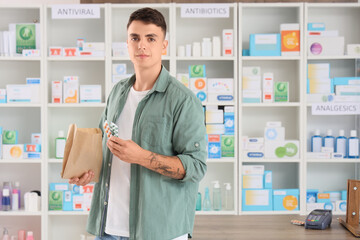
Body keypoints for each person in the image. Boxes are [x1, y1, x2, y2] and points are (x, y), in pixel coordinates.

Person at [69, 7, 207, 240]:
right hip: (109, 228)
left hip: (159, 231)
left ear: (164, 45)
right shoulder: (117, 92)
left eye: (151, 38)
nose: (142, 45)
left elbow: (196, 167)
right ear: (128, 43)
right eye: (135, 38)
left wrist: (141, 156)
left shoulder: (183, 100)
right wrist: (88, 172)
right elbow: (104, 150)